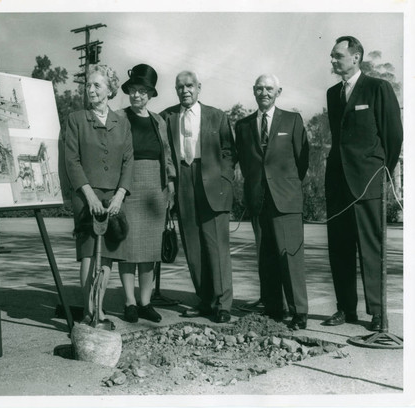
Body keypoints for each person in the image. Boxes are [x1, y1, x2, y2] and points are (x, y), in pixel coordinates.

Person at [323, 36, 403, 331]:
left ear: (355, 57)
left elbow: (393, 135)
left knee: (371, 249)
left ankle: (378, 312)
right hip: (338, 183)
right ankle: (346, 308)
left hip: (367, 182)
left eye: (337, 55)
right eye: (332, 56)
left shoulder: (378, 88)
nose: (332, 60)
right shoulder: (333, 93)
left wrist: (382, 172)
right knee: (339, 247)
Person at [160, 70, 236, 323]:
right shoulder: (167, 117)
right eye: (180, 87)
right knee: (193, 246)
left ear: (199, 87)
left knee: (216, 246)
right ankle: (205, 300)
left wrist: (224, 180)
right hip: (183, 180)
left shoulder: (217, 115)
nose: (185, 91)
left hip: (212, 182)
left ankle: (223, 304)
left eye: (190, 86)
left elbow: (228, 151)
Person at [235, 74, 309, 330]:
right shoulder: (243, 125)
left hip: (285, 199)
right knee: (265, 257)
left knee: (290, 257)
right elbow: (245, 162)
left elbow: (303, 160)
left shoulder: (292, 120)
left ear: (279, 91)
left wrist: (285, 185)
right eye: (259, 88)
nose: (264, 92)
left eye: (269, 88)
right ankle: (273, 308)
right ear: (253, 91)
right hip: (258, 199)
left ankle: (299, 311)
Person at [64, 64, 134, 328]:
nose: (90, 90)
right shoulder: (76, 119)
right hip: (86, 195)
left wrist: (120, 195)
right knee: (88, 254)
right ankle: (88, 311)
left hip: (114, 197)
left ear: (109, 90)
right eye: (88, 85)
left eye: (96, 85)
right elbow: (72, 160)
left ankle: (101, 309)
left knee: (108, 255)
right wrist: (90, 195)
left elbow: (129, 161)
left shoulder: (122, 122)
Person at [116, 64, 176, 323]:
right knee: (128, 246)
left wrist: (170, 181)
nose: (137, 95)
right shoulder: (119, 117)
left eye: (142, 91)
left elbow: (167, 153)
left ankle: (145, 302)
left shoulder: (159, 121)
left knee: (150, 249)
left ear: (150, 94)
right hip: (128, 184)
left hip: (155, 187)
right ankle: (129, 302)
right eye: (133, 90)